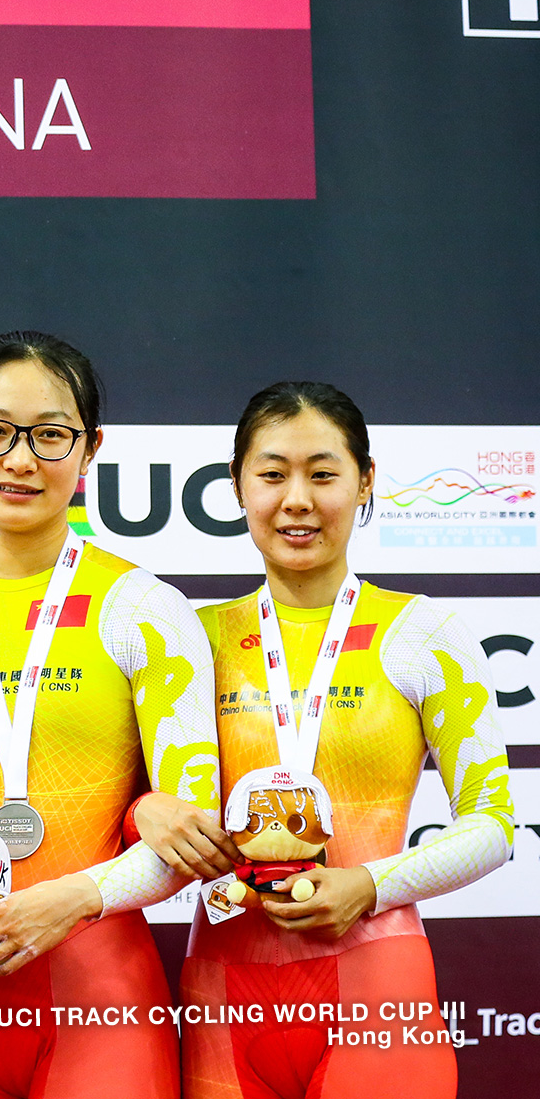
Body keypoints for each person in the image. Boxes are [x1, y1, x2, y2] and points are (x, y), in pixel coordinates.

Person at [126, 381, 515, 1099]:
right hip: (221, 996)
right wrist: (141, 809)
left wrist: (369, 885)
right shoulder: (189, 640)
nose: (296, 499)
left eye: (323, 473)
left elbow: (493, 826)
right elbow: (127, 805)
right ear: (238, 485)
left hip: (377, 990)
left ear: (365, 481)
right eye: (272, 474)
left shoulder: (424, 633)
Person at [0, 331, 219, 1099]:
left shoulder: (144, 610)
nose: (20, 459)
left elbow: (195, 830)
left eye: (50, 434)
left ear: (90, 447)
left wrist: (73, 899)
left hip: (100, 999)